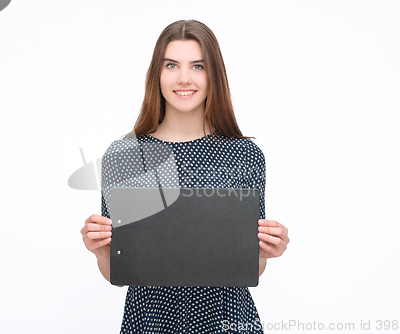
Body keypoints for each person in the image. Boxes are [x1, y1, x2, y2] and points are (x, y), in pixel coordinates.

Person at [81, 19, 290, 333]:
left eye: (197, 66)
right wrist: (101, 250)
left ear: (213, 75)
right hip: (150, 322)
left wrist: (262, 252)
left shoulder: (245, 156)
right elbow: (120, 273)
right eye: (171, 65)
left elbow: (248, 268)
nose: (183, 78)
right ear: (157, 73)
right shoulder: (124, 155)